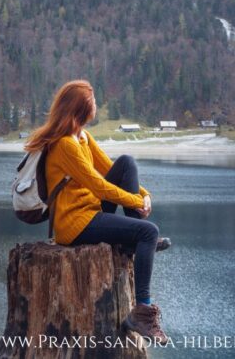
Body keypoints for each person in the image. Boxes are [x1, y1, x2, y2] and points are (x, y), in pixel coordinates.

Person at [24, 79, 171, 343]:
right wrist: (135, 201)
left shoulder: (82, 136)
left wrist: (144, 196)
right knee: (149, 233)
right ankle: (142, 313)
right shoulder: (65, 145)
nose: (96, 107)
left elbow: (108, 168)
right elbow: (99, 186)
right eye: (93, 103)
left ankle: (133, 242)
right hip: (74, 224)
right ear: (81, 109)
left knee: (126, 163)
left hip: (90, 211)